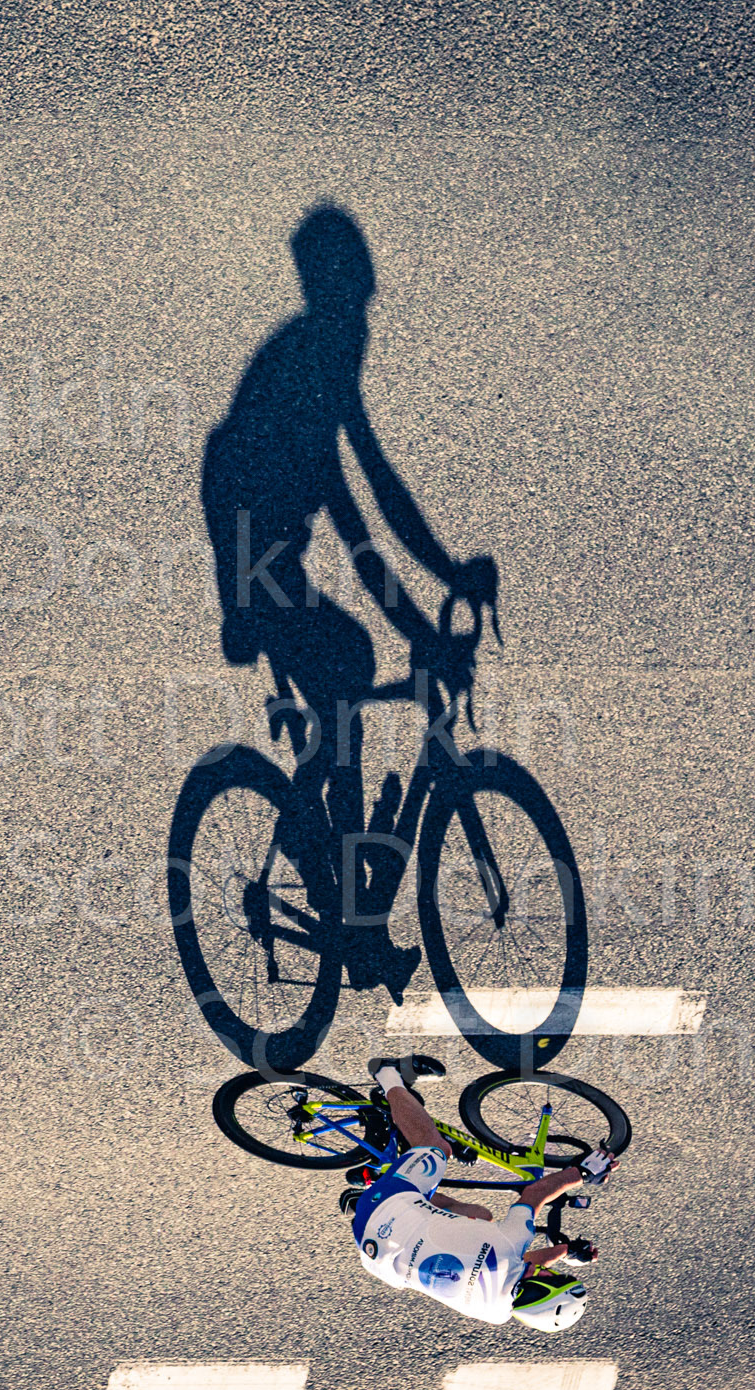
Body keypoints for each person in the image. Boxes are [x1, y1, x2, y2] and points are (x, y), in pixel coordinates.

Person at [199, 206, 497, 970]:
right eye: (346, 287)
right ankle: (342, 900)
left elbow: (377, 481)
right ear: (338, 284)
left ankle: (332, 868)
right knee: (348, 666)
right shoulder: (306, 362)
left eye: (358, 288)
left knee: (349, 684)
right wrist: (422, 618)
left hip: (271, 527)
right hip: (251, 540)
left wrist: (446, 572)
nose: (359, 301)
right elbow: (359, 525)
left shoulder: (335, 343)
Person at [348, 1055, 615, 1332]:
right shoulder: (496, 1313)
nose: (550, 1270)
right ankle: (365, 1192)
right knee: (479, 1217)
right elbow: (520, 1268)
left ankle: (388, 1075)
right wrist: (564, 1250)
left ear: (544, 1283)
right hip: (372, 1251)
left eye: (553, 1276)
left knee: (436, 1146)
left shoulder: (511, 1243)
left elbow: (536, 1193)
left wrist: (583, 1173)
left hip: (388, 1205)